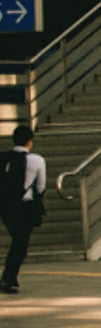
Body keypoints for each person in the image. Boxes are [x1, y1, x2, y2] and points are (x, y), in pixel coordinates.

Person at [1, 124, 48, 295]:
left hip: (5, 207)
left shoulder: (4, 158)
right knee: (21, 244)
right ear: (29, 141)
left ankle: (8, 276)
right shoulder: (37, 160)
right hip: (24, 207)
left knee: (17, 241)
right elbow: (41, 187)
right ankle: (9, 277)